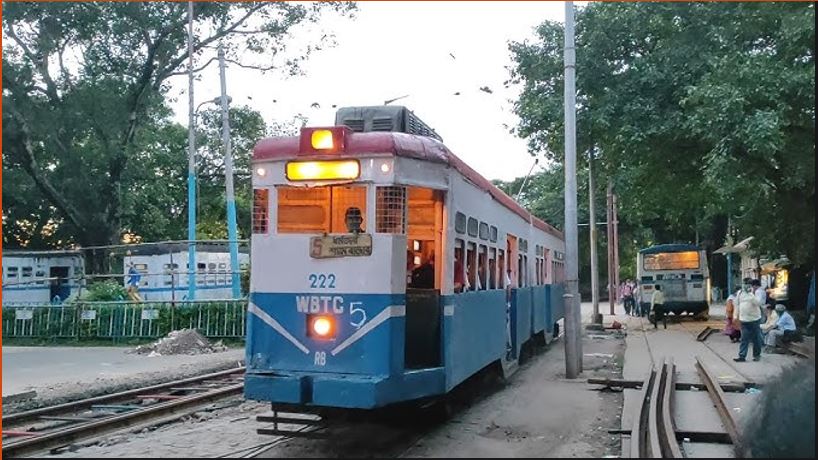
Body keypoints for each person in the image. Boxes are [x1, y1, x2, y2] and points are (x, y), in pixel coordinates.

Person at [734, 278, 764, 362]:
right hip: (744, 319)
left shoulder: (756, 292)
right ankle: (742, 356)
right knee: (744, 338)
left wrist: (751, 294)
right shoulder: (740, 293)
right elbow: (737, 305)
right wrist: (735, 316)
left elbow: (758, 303)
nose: (746, 285)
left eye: (748, 284)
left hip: (754, 319)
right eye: (745, 283)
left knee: (756, 339)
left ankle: (756, 355)